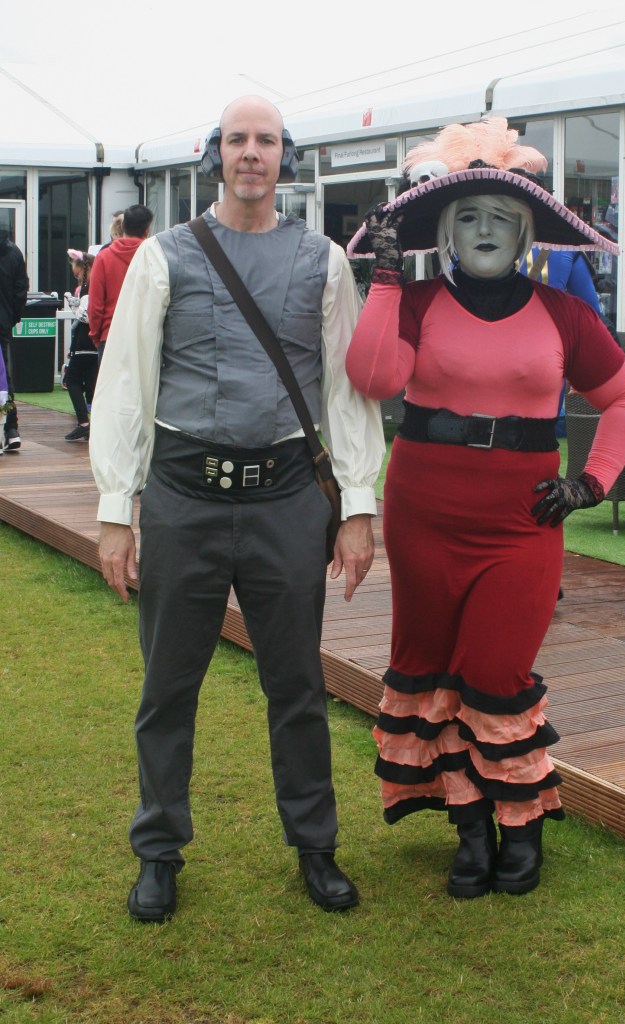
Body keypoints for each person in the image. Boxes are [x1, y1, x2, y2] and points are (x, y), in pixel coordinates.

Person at [89, 95, 384, 922]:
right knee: (166, 688)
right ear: (214, 154)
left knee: (297, 685)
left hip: (286, 501)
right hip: (183, 500)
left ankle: (315, 845)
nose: (250, 152)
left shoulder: (325, 261)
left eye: (265, 140)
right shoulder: (163, 257)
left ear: (284, 156)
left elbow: (345, 391)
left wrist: (357, 507)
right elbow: (125, 383)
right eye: (236, 140)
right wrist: (115, 508)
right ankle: (157, 851)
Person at [346, 117, 625, 897]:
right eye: (469, 216)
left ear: (524, 235)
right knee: (430, 667)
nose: (485, 230)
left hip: (522, 522)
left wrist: (591, 481)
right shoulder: (412, 299)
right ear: (447, 229)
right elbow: (374, 380)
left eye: (502, 218)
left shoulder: (562, 313)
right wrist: (385, 279)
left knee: (495, 672)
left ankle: (520, 826)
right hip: (422, 514)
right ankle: (470, 829)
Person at [88, 204, 153, 365]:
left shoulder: (103, 257)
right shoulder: (155, 256)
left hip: (110, 336)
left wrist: (97, 336)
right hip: (144, 338)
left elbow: (95, 306)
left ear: (122, 226)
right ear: (147, 230)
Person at [63, 250, 97, 441]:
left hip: (84, 342)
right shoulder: (95, 286)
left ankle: (83, 422)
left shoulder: (88, 288)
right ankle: (95, 424)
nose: (77, 278)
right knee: (92, 385)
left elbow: (86, 317)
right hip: (94, 343)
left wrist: (75, 306)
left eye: (77, 274)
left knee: (72, 380)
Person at [0, 229, 28, 452]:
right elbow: (21, 290)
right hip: (2, 322)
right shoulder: (13, 252)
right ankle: (10, 429)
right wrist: (11, 318)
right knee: (3, 376)